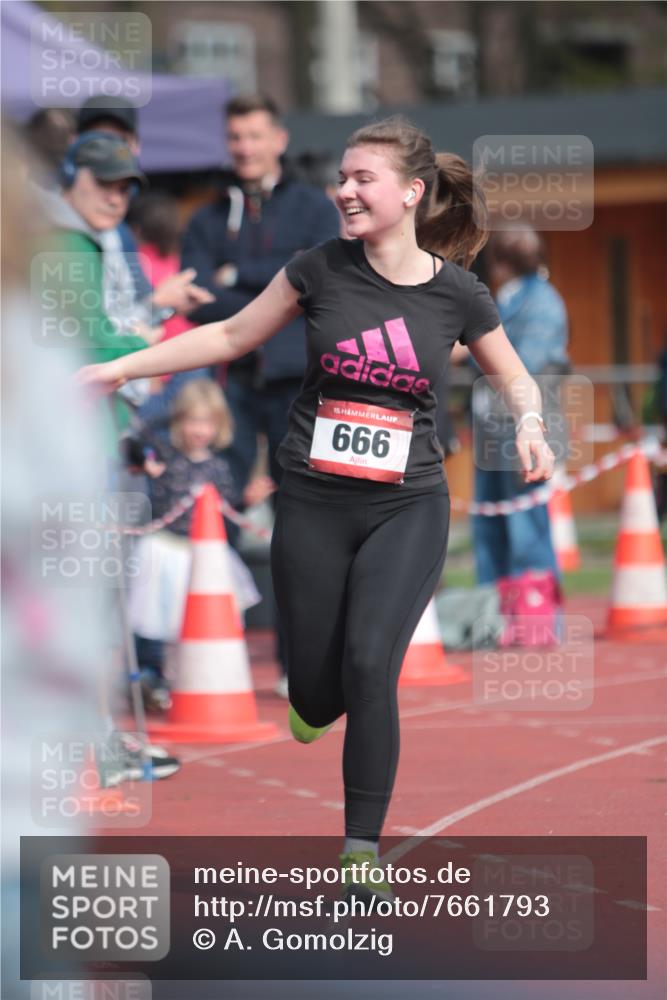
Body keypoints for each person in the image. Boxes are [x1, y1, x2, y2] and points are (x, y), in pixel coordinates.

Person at [77, 115, 555, 900]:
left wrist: (531, 424)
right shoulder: (318, 269)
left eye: (362, 179)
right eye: (341, 177)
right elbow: (230, 333)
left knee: (371, 664)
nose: (344, 191)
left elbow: (512, 374)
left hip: (407, 504)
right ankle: (313, 700)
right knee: (312, 690)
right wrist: (122, 369)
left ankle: (361, 849)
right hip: (312, 500)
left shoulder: (457, 292)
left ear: (411, 192)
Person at [181, 93, 340, 694]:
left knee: (300, 522)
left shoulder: (313, 206)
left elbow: (315, 277)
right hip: (231, 389)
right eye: (236, 138)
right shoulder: (205, 218)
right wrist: (274, 283)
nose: (244, 147)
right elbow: (199, 295)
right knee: (210, 513)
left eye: (254, 135)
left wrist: (239, 278)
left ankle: (299, 666)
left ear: (278, 139)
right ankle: (210, 661)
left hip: (297, 384)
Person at [126, 379, 264, 709]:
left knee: (194, 622)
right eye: (191, 420)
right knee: (155, 619)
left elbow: (225, 510)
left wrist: (246, 502)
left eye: (207, 422)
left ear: (220, 426)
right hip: (164, 549)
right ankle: (151, 675)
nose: (199, 430)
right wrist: (166, 418)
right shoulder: (164, 456)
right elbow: (138, 433)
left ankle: (188, 679)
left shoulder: (219, 467)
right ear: (178, 421)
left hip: (201, 557)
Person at [453, 227, 569, 587]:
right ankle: (495, 606)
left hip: (524, 427)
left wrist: (470, 354)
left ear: (500, 262)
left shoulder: (543, 302)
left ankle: (535, 610)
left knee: (526, 524)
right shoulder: (506, 297)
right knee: (490, 521)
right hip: (493, 427)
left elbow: (524, 365)